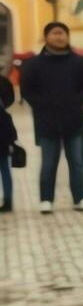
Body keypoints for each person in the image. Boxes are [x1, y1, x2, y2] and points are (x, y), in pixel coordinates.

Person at [20, 22, 83, 213]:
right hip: (47, 121)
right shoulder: (34, 64)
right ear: (46, 37)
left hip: (73, 119)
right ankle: (46, 199)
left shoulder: (78, 62)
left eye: (63, 33)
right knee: (48, 163)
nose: (59, 37)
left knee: (77, 162)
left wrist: (75, 102)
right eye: (55, 33)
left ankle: (80, 198)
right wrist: (43, 105)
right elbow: (27, 90)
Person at [0, 72, 15, 211]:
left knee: (4, 167)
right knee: (5, 168)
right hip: (3, 135)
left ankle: (8, 200)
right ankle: (8, 200)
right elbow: (10, 99)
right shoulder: (4, 82)